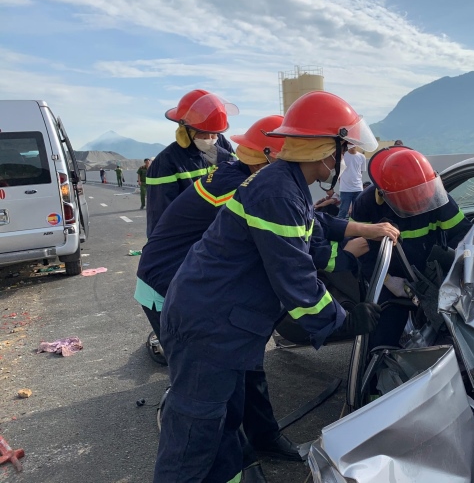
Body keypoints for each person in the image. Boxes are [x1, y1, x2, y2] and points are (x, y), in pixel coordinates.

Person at [154, 91, 398, 483]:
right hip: (209, 327)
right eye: (341, 149)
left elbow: (313, 230)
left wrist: (363, 233)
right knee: (194, 435)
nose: (343, 158)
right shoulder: (277, 191)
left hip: (225, 324)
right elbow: (295, 276)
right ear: (323, 150)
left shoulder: (286, 185)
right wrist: (343, 320)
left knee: (225, 424)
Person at [137, 116, 293, 483]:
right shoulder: (233, 180)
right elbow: (162, 220)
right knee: (202, 398)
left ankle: (253, 449)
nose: (210, 139)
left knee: (241, 374)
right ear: (269, 156)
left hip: (199, 281)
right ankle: (230, 459)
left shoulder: (232, 162)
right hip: (175, 285)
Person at [350, 145, 472, 349]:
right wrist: (387, 280)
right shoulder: (367, 204)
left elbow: (463, 233)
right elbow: (357, 248)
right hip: (389, 279)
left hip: (431, 276)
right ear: (385, 194)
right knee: (382, 334)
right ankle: (377, 375)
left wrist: (446, 268)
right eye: (409, 197)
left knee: (451, 337)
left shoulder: (435, 196)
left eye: (421, 193)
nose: (417, 201)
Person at [145, 89, 237, 237]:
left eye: (214, 133)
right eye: (202, 133)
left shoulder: (222, 145)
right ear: (185, 129)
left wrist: (225, 158)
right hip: (189, 239)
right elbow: (161, 217)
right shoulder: (166, 163)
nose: (210, 138)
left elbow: (239, 179)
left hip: (220, 235)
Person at [337, 145, 366, 218]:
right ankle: (339, 228)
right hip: (345, 189)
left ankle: (355, 227)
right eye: (351, 144)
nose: (353, 146)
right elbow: (338, 170)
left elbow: (361, 171)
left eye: (354, 144)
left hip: (358, 188)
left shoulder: (362, 157)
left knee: (357, 211)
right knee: (343, 210)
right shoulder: (343, 156)